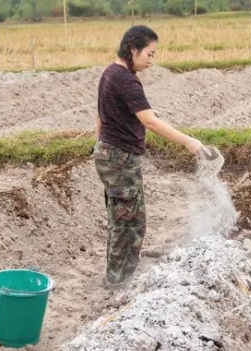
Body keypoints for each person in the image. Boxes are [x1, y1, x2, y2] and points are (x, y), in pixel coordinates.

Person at [93, 25, 206, 288]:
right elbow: (149, 122)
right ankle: (119, 280)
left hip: (108, 153)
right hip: (119, 158)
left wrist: (102, 143)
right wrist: (189, 142)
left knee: (121, 216)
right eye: (150, 54)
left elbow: (100, 116)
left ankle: (117, 274)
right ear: (133, 49)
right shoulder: (126, 80)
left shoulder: (110, 73)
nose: (151, 61)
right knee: (129, 221)